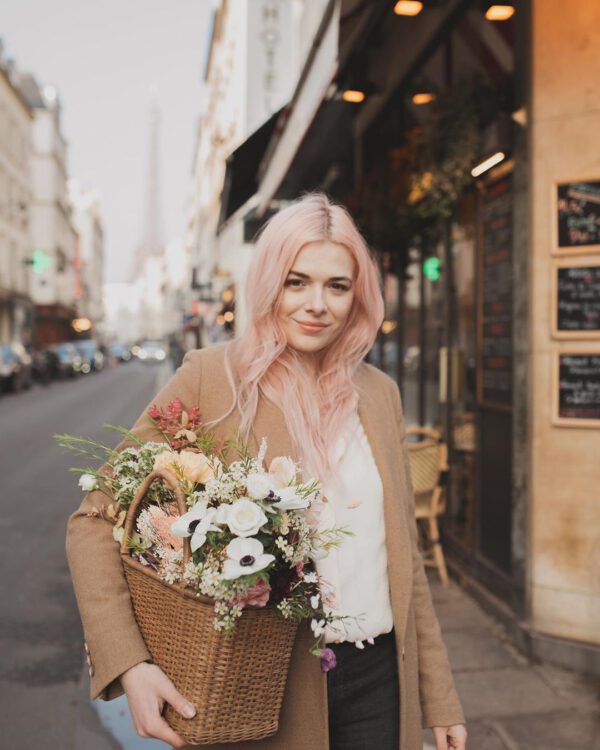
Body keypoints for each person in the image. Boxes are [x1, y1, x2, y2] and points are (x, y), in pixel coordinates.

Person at [66, 193, 467, 750]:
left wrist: (439, 697)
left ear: (359, 297)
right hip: (264, 694)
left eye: (337, 286)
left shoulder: (380, 395)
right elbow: (94, 519)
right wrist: (130, 663)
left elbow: (405, 561)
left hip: (380, 683)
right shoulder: (212, 380)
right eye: (296, 281)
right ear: (268, 284)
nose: (316, 304)